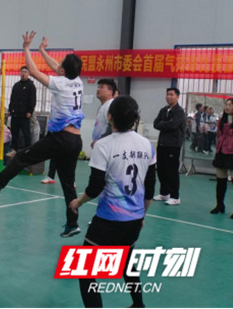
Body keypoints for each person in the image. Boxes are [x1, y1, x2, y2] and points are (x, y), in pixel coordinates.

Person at [0, 32, 84, 238]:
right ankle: (72, 224)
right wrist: (42, 50)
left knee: (21, 157)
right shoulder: (77, 81)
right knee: (68, 184)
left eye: (60, 64)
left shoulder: (60, 83)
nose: (57, 65)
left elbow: (33, 71)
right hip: (75, 141)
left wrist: (26, 48)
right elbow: (56, 67)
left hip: (59, 138)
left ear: (63, 70)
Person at [69, 96, 156, 308]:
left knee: (85, 271)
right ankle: (138, 305)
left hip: (109, 221)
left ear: (110, 116)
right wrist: (142, 215)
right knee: (126, 261)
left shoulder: (103, 145)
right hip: (134, 220)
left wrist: (77, 202)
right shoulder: (147, 145)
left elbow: (95, 187)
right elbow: (150, 188)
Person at [152, 87, 186, 205]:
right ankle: (164, 193)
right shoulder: (163, 110)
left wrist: (163, 124)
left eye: (171, 94)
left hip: (173, 145)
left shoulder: (179, 112)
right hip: (162, 143)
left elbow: (173, 125)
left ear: (177, 96)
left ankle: (175, 196)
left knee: (171, 171)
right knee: (161, 169)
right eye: (167, 94)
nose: (169, 97)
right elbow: (155, 124)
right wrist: (166, 123)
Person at [210, 98, 233, 218]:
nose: (227, 107)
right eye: (226, 104)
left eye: (230, 105)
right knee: (220, 179)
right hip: (221, 152)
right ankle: (220, 204)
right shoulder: (221, 121)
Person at [7, 66, 36, 158]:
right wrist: (10, 109)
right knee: (14, 133)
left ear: (28, 73)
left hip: (25, 115)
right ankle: (14, 149)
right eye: (22, 71)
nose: (23, 73)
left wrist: (30, 111)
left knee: (26, 133)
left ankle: (27, 151)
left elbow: (32, 100)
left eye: (25, 71)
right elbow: (12, 98)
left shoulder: (31, 86)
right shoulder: (16, 85)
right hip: (15, 114)